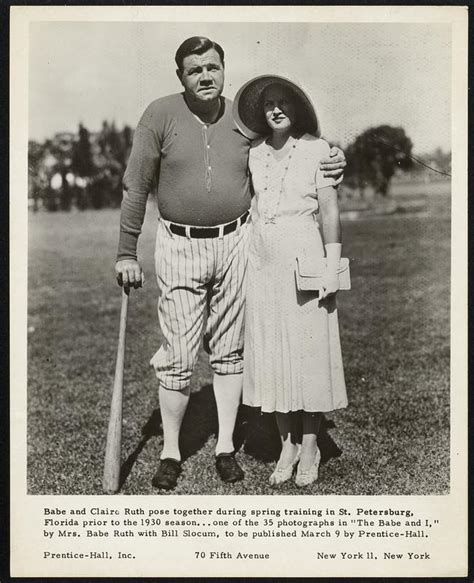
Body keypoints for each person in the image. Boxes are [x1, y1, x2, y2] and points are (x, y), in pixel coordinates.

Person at [115, 37, 346, 491]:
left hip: (239, 243)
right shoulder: (159, 114)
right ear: (180, 75)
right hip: (180, 245)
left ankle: (225, 446)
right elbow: (136, 185)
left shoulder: (243, 124)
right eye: (194, 69)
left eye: (213, 67)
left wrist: (338, 157)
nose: (205, 76)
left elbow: (299, 154)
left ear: (224, 71)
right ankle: (170, 452)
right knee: (179, 353)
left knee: (230, 350)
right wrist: (126, 251)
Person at [233, 75, 348, 488]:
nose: (276, 109)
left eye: (284, 103)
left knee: (309, 351)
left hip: (305, 254)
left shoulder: (319, 151)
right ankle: (287, 444)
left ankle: (312, 443)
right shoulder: (253, 152)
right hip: (261, 260)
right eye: (269, 105)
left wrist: (331, 265)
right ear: (261, 113)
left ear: (296, 107)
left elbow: (330, 211)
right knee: (273, 351)